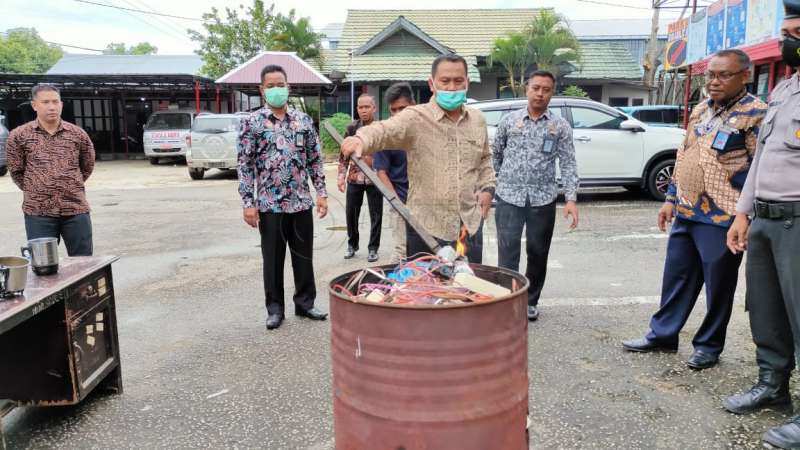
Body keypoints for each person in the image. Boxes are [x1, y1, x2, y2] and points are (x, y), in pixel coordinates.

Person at [621, 49, 767, 370]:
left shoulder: (756, 114)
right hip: (687, 211)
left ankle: (708, 345)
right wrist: (671, 199)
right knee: (676, 277)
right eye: (710, 75)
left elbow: (760, 170)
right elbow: (684, 153)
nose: (714, 82)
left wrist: (745, 217)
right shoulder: (701, 109)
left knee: (718, 287)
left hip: (723, 218)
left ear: (745, 75)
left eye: (723, 75)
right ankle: (663, 335)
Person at [722, 2, 800, 447]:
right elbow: (762, 160)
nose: (790, 41)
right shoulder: (784, 91)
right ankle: (773, 387)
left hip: (798, 221)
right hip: (767, 219)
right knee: (766, 310)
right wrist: (743, 213)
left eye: (798, 31)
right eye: (786, 32)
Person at [339, 54, 495, 263]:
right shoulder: (415, 117)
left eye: (458, 81)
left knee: (469, 289)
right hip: (426, 229)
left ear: (467, 82)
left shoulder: (477, 120)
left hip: (469, 225)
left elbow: (485, 159)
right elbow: (384, 130)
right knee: (425, 291)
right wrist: (360, 138)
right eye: (445, 81)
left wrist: (488, 189)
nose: (451, 87)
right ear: (432, 84)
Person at [237, 64, 328, 330]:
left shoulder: (303, 121)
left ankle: (306, 303)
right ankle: (275, 309)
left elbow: (314, 160)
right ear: (261, 89)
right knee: (273, 261)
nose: (277, 90)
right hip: (269, 204)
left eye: (281, 84)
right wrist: (248, 204)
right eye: (271, 85)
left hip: (300, 203)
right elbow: (245, 165)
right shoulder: (252, 123)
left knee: (303, 257)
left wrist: (321, 193)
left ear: (289, 87)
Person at [493, 71, 579, 322]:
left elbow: (568, 163)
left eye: (546, 89)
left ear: (552, 93)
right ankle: (507, 300)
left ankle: (530, 300)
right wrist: (495, 185)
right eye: (536, 88)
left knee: (538, 250)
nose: (540, 93)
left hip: (543, 198)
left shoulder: (559, 126)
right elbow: (496, 154)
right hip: (509, 196)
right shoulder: (509, 121)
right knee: (507, 251)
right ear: (527, 89)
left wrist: (571, 199)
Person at [6, 84, 95, 256]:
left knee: (83, 264)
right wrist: (37, 187)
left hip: (75, 208)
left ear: (61, 104)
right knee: (43, 265)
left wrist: (69, 184)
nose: (51, 107)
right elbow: (16, 170)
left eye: (55, 102)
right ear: (34, 105)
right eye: (45, 102)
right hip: (38, 211)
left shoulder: (77, 134)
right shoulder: (19, 136)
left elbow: (87, 165)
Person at [338, 94, 383, 262]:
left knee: (376, 215)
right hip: (354, 179)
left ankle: (373, 248)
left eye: (367, 107)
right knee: (351, 213)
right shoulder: (351, 129)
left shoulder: (380, 128)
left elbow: (386, 155)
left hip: (375, 179)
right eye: (360, 107)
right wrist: (341, 177)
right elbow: (343, 155)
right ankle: (352, 245)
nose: (363, 110)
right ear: (357, 109)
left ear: (374, 108)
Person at [372, 83, 414, 262]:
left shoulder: (428, 129)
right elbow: (381, 172)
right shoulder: (387, 135)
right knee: (401, 254)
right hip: (401, 203)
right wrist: (397, 204)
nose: (398, 114)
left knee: (429, 255)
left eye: (403, 108)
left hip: (429, 205)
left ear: (413, 104)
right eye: (394, 110)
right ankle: (395, 289)